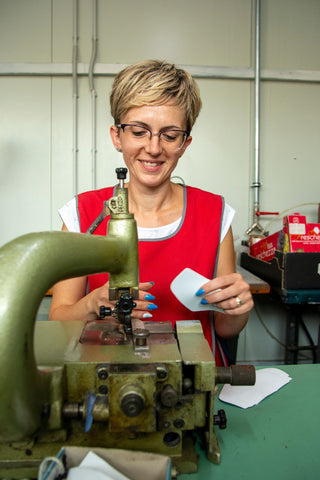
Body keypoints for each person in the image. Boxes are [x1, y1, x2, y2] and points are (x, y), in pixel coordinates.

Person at [49, 59, 253, 366]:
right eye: (139, 131)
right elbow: (58, 323)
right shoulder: (82, 214)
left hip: (192, 381)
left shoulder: (216, 214)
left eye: (170, 135)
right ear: (117, 136)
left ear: (185, 143)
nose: (154, 148)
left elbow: (224, 327)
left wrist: (239, 306)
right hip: (105, 379)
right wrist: (93, 304)